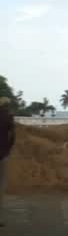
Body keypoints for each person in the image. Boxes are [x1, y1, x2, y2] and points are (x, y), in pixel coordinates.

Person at [0, 97, 16, 227]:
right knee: (1, 184)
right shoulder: (8, 117)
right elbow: (12, 136)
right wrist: (8, 149)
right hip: (2, 154)